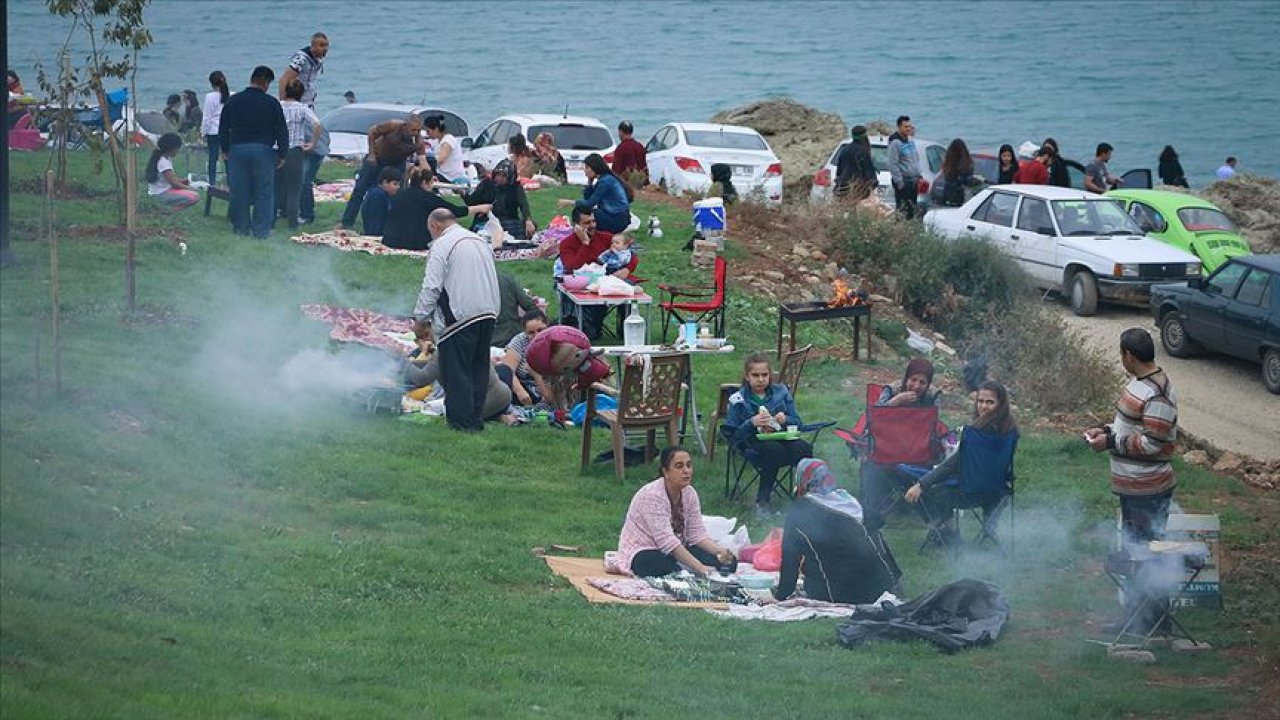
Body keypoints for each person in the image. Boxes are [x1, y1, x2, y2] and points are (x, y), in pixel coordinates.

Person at [1084, 328, 1178, 543]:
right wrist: (1105, 430)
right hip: (1133, 487)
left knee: (1145, 553)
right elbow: (1131, 426)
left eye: (1121, 354)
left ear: (1129, 355)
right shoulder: (1140, 382)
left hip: (1148, 490)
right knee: (1133, 548)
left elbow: (1152, 443)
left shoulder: (1158, 395)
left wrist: (1109, 442)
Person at [413, 209, 501, 432]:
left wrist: (421, 318)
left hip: (459, 316)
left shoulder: (442, 245)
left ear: (434, 226)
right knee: (478, 371)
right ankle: (475, 419)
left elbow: (432, 286)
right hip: (488, 311)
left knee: (457, 373)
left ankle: (461, 424)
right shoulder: (479, 241)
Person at [904, 380, 1018, 544]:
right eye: (980, 401)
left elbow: (953, 465)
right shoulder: (1010, 430)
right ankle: (988, 526)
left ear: (1001, 404)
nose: (983, 407)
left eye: (990, 402)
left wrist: (921, 484)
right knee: (937, 481)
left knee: (930, 491)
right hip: (998, 492)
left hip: (970, 493)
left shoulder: (977, 433)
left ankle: (947, 532)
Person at [772, 459, 900, 603]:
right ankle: (894, 581)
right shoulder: (849, 501)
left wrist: (781, 594)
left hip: (838, 593)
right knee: (873, 534)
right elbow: (879, 521)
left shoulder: (800, 511)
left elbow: (790, 561)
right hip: (880, 588)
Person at [616, 446, 738, 578]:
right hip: (645, 549)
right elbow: (667, 542)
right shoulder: (652, 496)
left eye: (689, 465)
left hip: (678, 547)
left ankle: (684, 568)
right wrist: (700, 568)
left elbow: (697, 536)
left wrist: (721, 552)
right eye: (679, 466)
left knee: (729, 563)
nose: (686, 471)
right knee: (663, 566)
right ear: (666, 472)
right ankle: (682, 569)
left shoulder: (690, 493)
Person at [723, 353, 814, 517]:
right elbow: (732, 436)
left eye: (764, 375)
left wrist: (785, 419)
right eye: (755, 375)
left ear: (770, 375)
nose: (760, 379)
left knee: (804, 447)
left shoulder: (781, 392)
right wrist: (751, 423)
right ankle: (763, 501)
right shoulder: (738, 399)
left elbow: (798, 423)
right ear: (747, 376)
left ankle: (804, 495)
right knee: (774, 451)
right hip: (752, 442)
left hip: (781, 436)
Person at [859, 357, 943, 533]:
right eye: (913, 380)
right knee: (868, 462)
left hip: (917, 452)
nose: (916, 386)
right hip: (888, 448)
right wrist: (895, 402)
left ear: (928, 384)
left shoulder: (931, 397)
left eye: (922, 382)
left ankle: (925, 506)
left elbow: (935, 425)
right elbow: (873, 417)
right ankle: (873, 506)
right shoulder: (892, 390)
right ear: (906, 378)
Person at [219, 65, 288, 239]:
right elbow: (281, 129)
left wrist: (225, 149)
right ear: (265, 82)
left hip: (238, 150)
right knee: (264, 191)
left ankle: (240, 228)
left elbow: (223, 127)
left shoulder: (233, 101)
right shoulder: (271, 103)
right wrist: (282, 153)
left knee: (239, 190)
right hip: (263, 150)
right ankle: (261, 231)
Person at [404, 319, 515, 424]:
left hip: (479, 404)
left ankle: (491, 416)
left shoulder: (444, 349)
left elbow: (421, 378)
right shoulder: (467, 339)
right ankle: (500, 415)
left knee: (454, 417)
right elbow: (433, 365)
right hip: (503, 397)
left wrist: (402, 361)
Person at [555, 207, 639, 338]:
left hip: (606, 281)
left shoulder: (606, 238)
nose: (592, 225)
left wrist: (627, 269)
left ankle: (626, 332)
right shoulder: (567, 244)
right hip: (581, 283)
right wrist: (585, 244)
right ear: (576, 225)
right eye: (587, 223)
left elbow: (630, 254)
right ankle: (587, 328)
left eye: (593, 221)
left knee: (627, 288)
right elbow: (572, 266)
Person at [338, 113, 423, 229]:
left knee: (398, 193)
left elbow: (423, 159)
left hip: (397, 163)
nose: (415, 133)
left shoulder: (418, 141)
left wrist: (423, 172)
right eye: (413, 129)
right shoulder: (393, 125)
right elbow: (372, 132)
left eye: (418, 130)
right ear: (405, 126)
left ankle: (394, 224)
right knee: (360, 189)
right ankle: (346, 222)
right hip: (378, 158)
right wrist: (372, 153)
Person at [383, 167, 487, 251]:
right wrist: (480, 208)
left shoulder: (399, 195)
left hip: (391, 239)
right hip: (415, 242)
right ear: (424, 182)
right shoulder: (427, 197)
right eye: (431, 182)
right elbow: (455, 211)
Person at [276, 78, 322, 230]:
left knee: (275, 186)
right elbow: (317, 124)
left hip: (276, 149)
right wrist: (313, 143)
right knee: (294, 189)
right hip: (294, 150)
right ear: (301, 94)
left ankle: (271, 218)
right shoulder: (302, 108)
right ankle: (292, 223)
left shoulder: (277, 106)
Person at [558, 154, 633, 234]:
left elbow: (589, 204)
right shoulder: (604, 179)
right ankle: (582, 232)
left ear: (595, 167)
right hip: (615, 217)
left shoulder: (606, 181)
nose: (585, 170)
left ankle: (581, 233)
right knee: (583, 211)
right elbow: (588, 199)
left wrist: (569, 202)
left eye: (587, 167)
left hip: (617, 219)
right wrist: (589, 182)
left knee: (580, 211)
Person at [502, 310, 556, 407]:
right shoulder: (520, 341)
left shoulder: (557, 343)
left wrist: (535, 374)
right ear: (524, 332)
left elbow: (551, 398)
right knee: (499, 370)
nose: (537, 336)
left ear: (547, 326)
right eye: (531, 332)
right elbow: (507, 370)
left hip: (547, 392)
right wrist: (520, 392)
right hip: (522, 389)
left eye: (540, 330)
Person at [484, 160, 536, 240]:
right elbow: (473, 201)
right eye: (498, 175)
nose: (500, 178)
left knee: (530, 226)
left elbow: (523, 204)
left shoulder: (515, 187)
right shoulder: (488, 185)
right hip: (492, 220)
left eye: (504, 176)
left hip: (511, 220)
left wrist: (528, 220)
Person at [146, 133, 199, 210]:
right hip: (161, 194)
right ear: (172, 148)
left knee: (191, 194)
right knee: (194, 196)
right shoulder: (164, 162)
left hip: (161, 191)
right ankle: (166, 211)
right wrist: (189, 188)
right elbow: (174, 184)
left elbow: (170, 179)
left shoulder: (162, 158)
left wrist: (182, 181)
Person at [279, 32, 328, 107]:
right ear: (313, 46)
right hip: (298, 104)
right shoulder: (301, 59)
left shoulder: (318, 60)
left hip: (309, 103)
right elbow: (284, 80)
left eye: (326, 45)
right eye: (321, 45)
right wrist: (283, 104)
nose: (325, 49)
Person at [886, 115, 922, 219]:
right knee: (902, 211)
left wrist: (919, 175)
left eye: (909, 126)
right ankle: (899, 232)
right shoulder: (895, 143)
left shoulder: (910, 141)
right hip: (903, 181)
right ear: (899, 127)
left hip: (914, 181)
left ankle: (909, 231)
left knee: (912, 210)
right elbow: (893, 163)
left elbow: (915, 160)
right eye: (905, 126)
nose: (908, 129)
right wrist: (899, 182)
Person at [492, 272, 538, 347]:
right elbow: (529, 306)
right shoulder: (506, 279)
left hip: (481, 342)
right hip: (510, 337)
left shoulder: (470, 282)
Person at [298, 116, 329, 225]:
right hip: (312, 149)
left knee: (304, 181)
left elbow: (318, 128)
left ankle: (307, 215)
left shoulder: (303, 114)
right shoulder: (310, 113)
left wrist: (313, 144)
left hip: (314, 151)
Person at [201, 71, 230, 186]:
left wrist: (203, 132)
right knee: (228, 157)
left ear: (211, 84)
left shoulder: (210, 97)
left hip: (213, 131)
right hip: (228, 130)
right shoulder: (232, 95)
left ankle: (212, 182)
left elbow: (207, 117)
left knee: (213, 157)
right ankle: (230, 181)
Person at [834, 125, 877, 200]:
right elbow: (868, 172)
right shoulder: (862, 152)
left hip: (843, 188)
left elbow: (839, 171)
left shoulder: (844, 150)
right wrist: (873, 185)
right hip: (859, 190)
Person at [939, 138, 982, 207]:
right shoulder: (965, 164)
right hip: (961, 197)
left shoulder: (948, 164)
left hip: (947, 195)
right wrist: (978, 180)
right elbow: (967, 181)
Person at [361, 167, 402, 236]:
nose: (398, 187)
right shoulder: (378, 196)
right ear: (385, 182)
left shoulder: (384, 195)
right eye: (395, 184)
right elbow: (375, 221)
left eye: (399, 184)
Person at [424, 115, 465, 184]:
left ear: (436, 129)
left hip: (450, 177)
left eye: (428, 131)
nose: (427, 134)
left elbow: (440, 160)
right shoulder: (437, 141)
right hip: (442, 173)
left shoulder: (448, 141)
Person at [610, 120, 648, 185]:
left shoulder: (621, 148)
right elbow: (644, 167)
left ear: (621, 132)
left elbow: (616, 170)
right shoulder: (640, 146)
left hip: (626, 184)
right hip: (640, 183)